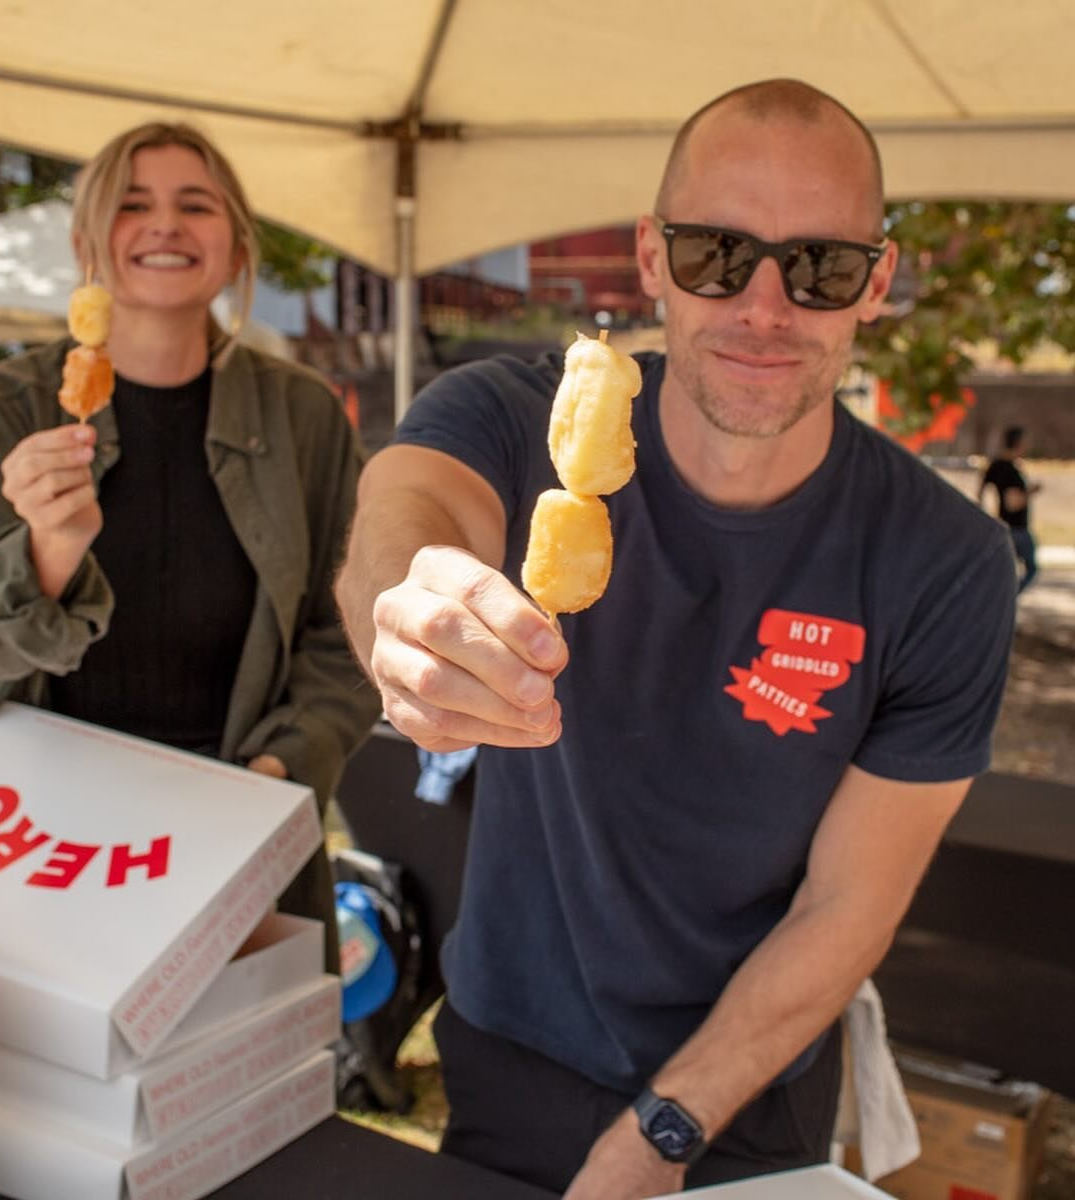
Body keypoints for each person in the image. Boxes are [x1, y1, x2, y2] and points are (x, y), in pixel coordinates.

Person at [334, 79, 1018, 1197]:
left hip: (754, 1083)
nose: (763, 306)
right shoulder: (521, 416)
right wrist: (409, 605)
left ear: (876, 285)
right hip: (512, 1047)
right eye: (717, 252)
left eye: (821, 266)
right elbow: (408, 510)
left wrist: (661, 1131)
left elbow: (853, 902)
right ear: (651, 258)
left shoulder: (945, 563)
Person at [0, 121, 380, 971]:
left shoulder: (301, 415)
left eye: (196, 205)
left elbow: (352, 626)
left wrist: (277, 769)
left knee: (232, 1072)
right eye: (132, 205)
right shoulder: (6, 402)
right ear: (87, 244)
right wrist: (45, 551)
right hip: (45, 824)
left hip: (239, 809)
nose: (164, 224)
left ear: (234, 249)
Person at [981, 425, 1041, 592]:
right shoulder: (1010, 470)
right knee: (1031, 568)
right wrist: (1030, 492)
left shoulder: (995, 465)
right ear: (1019, 443)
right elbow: (1012, 504)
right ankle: (1009, 598)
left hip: (1002, 525)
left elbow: (981, 492)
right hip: (1016, 527)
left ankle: (1004, 599)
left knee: (1003, 571)